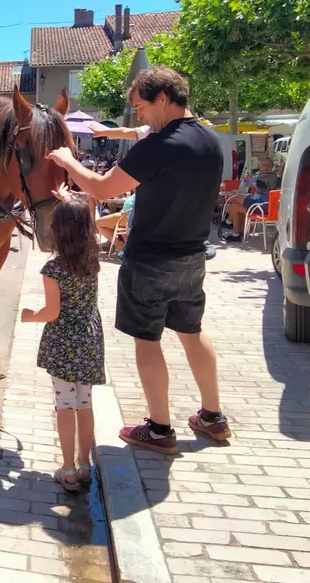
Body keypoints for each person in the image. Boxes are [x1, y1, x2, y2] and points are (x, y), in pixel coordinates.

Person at [47, 67, 230, 455]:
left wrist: (67, 161)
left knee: (148, 342)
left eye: (140, 107)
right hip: (193, 256)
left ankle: (160, 428)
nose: (139, 116)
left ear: (162, 97)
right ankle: (213, 416)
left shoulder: (160, 145)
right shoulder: (211, 141)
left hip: (150, 260)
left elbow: (100, 186)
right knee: (192, 332)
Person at [21, 196, 105, 490]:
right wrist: (72, 200)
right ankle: (85, 464)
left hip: (63, 342)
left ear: (57, 230)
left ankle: (67, 469)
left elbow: (52, 312)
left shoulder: (53, 270)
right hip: (89, 340)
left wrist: (30, 316)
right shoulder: (92, 262)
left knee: (64, 405)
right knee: (85, 403)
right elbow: (87, 212)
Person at [87, 119, 217, 261]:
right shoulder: (153, 131)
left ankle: (131, 245)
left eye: (141, 107)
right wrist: (103, 132)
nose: (140, 115)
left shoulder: (158, 136)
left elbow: (127, 132)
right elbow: (127, 132)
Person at [224, 157, 275, 242]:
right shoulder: (258, 175)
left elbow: (263, 188)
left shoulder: (273, 178)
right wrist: (246, 179)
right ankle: (236, 233)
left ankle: (229, 221)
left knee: (234, 197)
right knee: (234, 205)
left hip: (261, 206)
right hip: (257, 205)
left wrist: (255, 186)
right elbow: (244, 184)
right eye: (263, 165)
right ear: (260, 166)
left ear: (272, 167)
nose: (265, 167)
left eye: (268, 165)